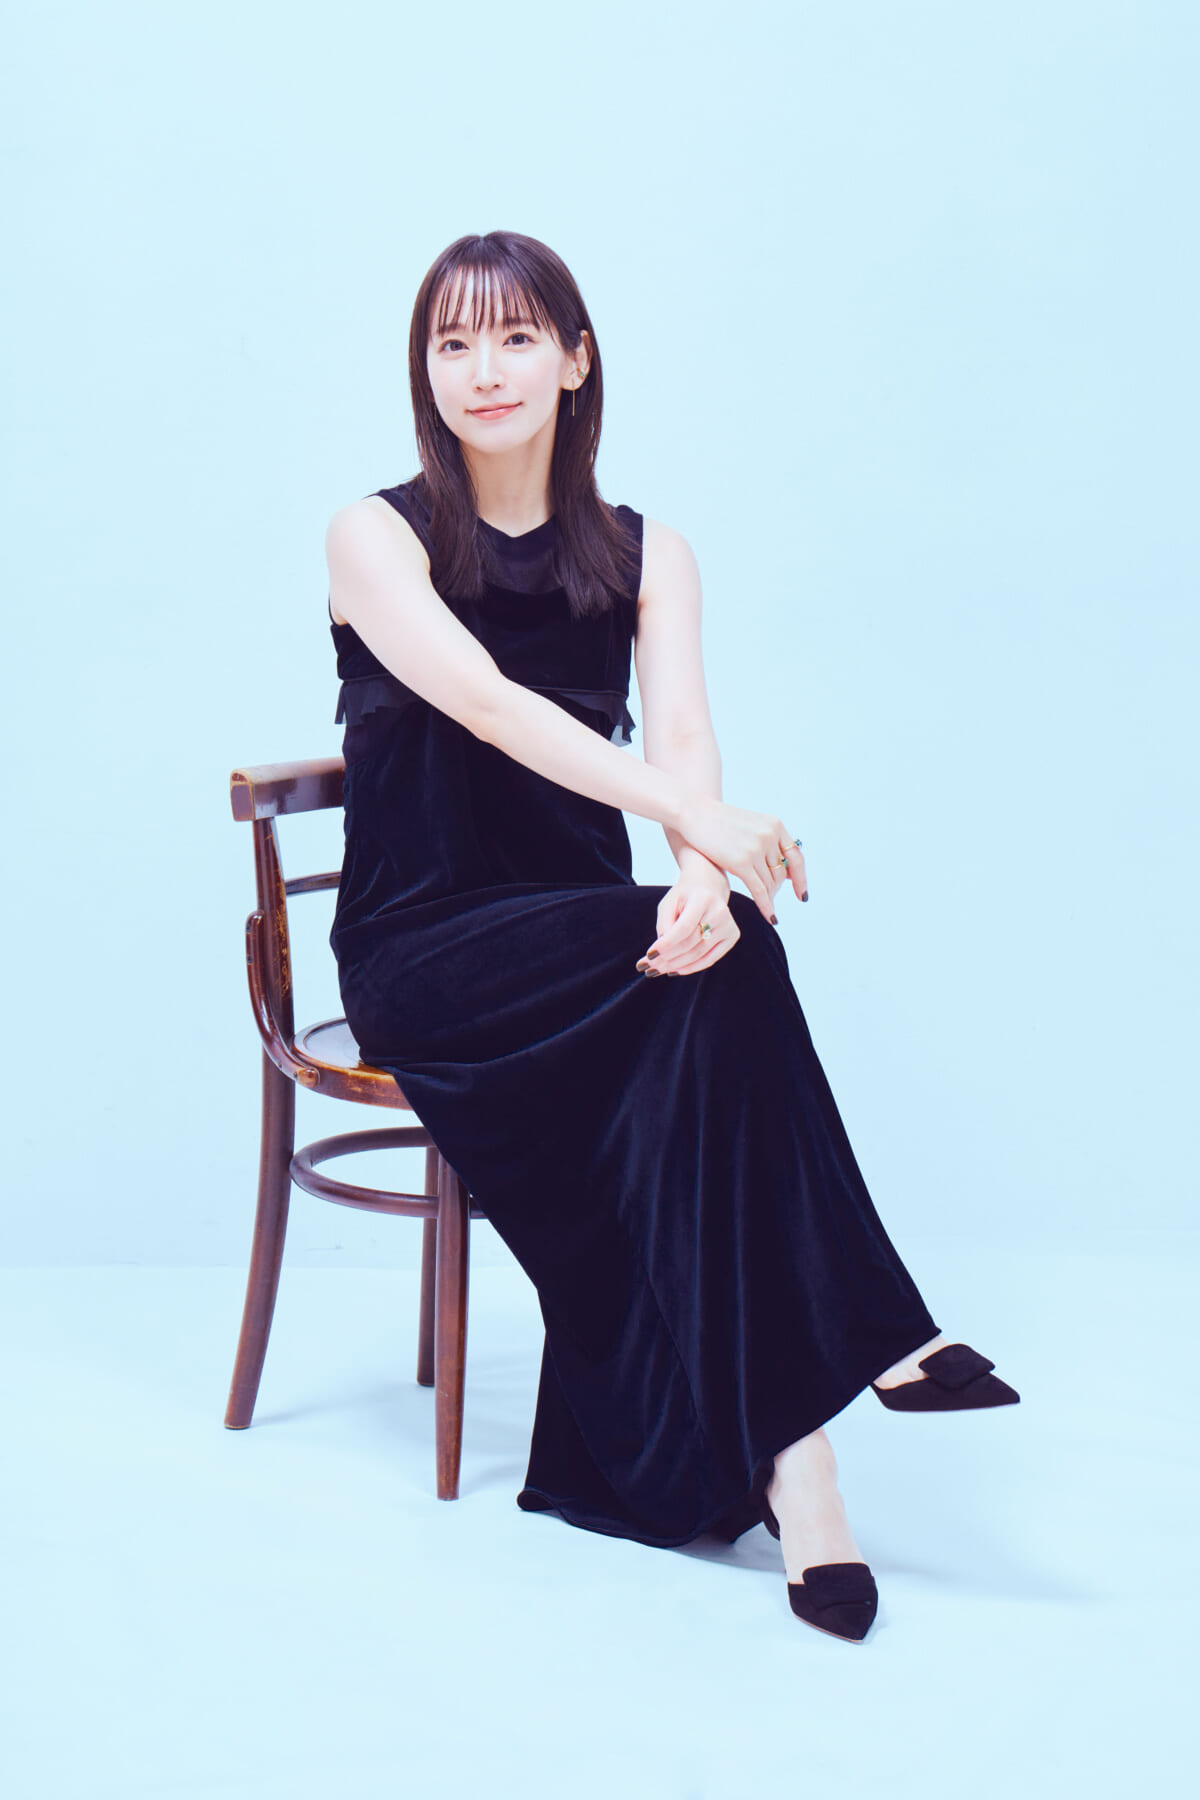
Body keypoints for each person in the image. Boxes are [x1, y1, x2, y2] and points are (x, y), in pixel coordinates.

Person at [323, 230, 1019, 1643]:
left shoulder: (649, 554)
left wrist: (700, 873)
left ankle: (801, 1467)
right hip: (428, 943)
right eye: (452, 343)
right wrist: (698, 826)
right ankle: (877, 1347)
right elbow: (489, 706)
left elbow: (686, 738)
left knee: (725, 947)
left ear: (576, 360)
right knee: (729, 953)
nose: (483, 369)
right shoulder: (375, 537)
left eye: (516, 337)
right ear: (424, 374)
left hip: (584, 932)